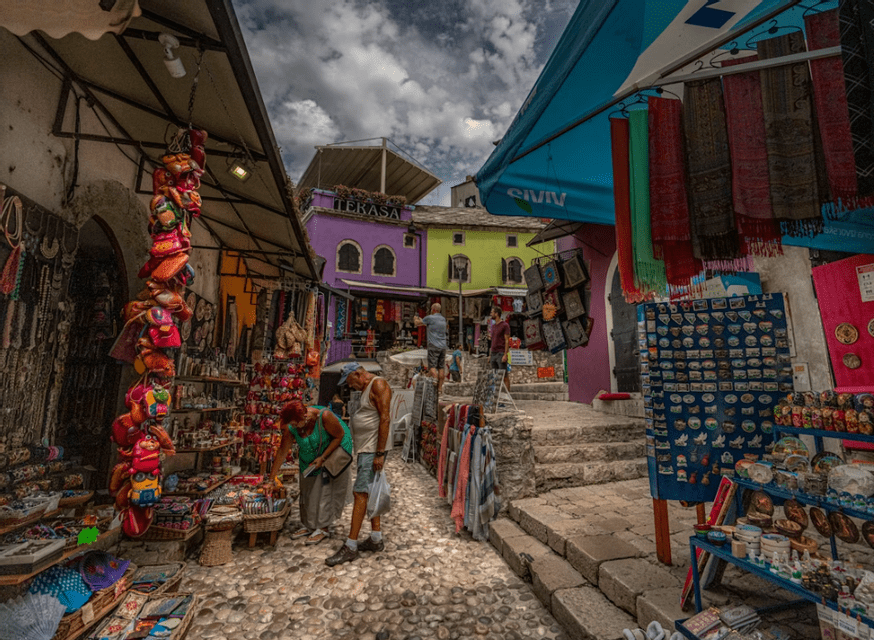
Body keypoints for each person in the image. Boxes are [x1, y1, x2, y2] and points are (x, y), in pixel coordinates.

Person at [325, 362, 393, 566]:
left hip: (372, 449)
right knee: (370, 491)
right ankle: (375, 538)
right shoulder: (366, 388)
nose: (349, 386)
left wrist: (379, 453)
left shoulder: (378, 384)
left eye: (349, 382)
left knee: (360, 493)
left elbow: (385, 418)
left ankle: (351, 546)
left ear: (358, 374)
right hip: (366, 448)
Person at [262, 400, 353, 546]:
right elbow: (282, 452)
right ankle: (310, 524)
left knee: (325, 491)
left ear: (304, 417)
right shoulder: (291, 426)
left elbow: (339, 436)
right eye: (291, 424)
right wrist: (271, 479)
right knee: (307, 490)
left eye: (296, 423)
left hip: (332, 452)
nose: (294, 427)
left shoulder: (324, 417)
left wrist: (323, 458)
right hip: (309, 457)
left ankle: (323, 527)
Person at [413, 303, 448, 393]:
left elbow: (417, 323)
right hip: (443, 346)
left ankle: (435, 380)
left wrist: (415, 318)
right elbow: (427, 324)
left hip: (433, 345)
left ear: (433, 309)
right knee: (441, 367)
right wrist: (422, 320)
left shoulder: (430, 318)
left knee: (432, 366)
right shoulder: (443, 319)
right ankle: (440, 388)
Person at [489, 306, 511, 391]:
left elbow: (507, 340)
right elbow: (492, 341)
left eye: (492, 312)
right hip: (494, 353)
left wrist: (505, 354)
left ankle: (507, 395)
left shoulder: (505, 325)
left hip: (501, 353)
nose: (491, 314)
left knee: (504, 375)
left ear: (496, 314)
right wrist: (490, 354)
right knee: (495, 376)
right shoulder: (493, 326)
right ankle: (497, 395)